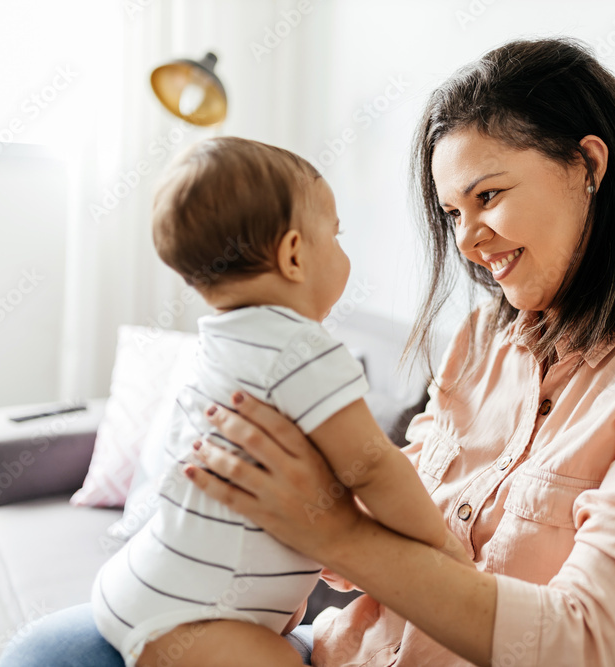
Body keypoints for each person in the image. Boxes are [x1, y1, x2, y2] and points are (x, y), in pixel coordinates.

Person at [0, 37, 615, 667]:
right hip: (346, 649)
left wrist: (332, 526)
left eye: (489, 195)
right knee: (47, 650)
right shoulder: (486, 340)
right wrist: (277, 486)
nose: (468, 240)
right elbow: (395, 512)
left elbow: (582, 644)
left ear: (588, 164)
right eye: (451, 212)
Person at [97, 137, 466, 667]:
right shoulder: (304, 348)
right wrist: (442, 548)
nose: (342, 252)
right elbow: (373, 468)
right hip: (195, 620)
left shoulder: (221, 339)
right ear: (294, 254)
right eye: (335, 236)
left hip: (143, 584)